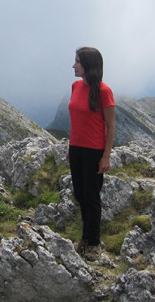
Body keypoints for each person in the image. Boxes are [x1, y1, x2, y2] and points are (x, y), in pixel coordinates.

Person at [68, 46, 116, 261]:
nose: (74, 65)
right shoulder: (75, 86)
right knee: (80, 194)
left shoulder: (104, 91)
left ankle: (94, 244)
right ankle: (85, 240)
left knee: (91, 197)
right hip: (76, 149)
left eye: (77, 62)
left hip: (94, 150)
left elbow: (111, 125)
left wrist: (106, 156)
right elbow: (76, 120)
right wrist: (71, 147)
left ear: (88, 65)